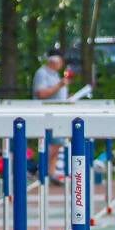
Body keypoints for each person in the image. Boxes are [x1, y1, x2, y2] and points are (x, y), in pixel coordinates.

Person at [32, 48, 71, 183]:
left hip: (57, 114)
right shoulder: (42, 73)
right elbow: (41, 94)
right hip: (46, 115)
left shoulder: (55, 75)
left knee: (57, 143)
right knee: (52, 143)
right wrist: (59, 85)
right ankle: (41, 168)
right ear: (55, 61)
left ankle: (51, 172)